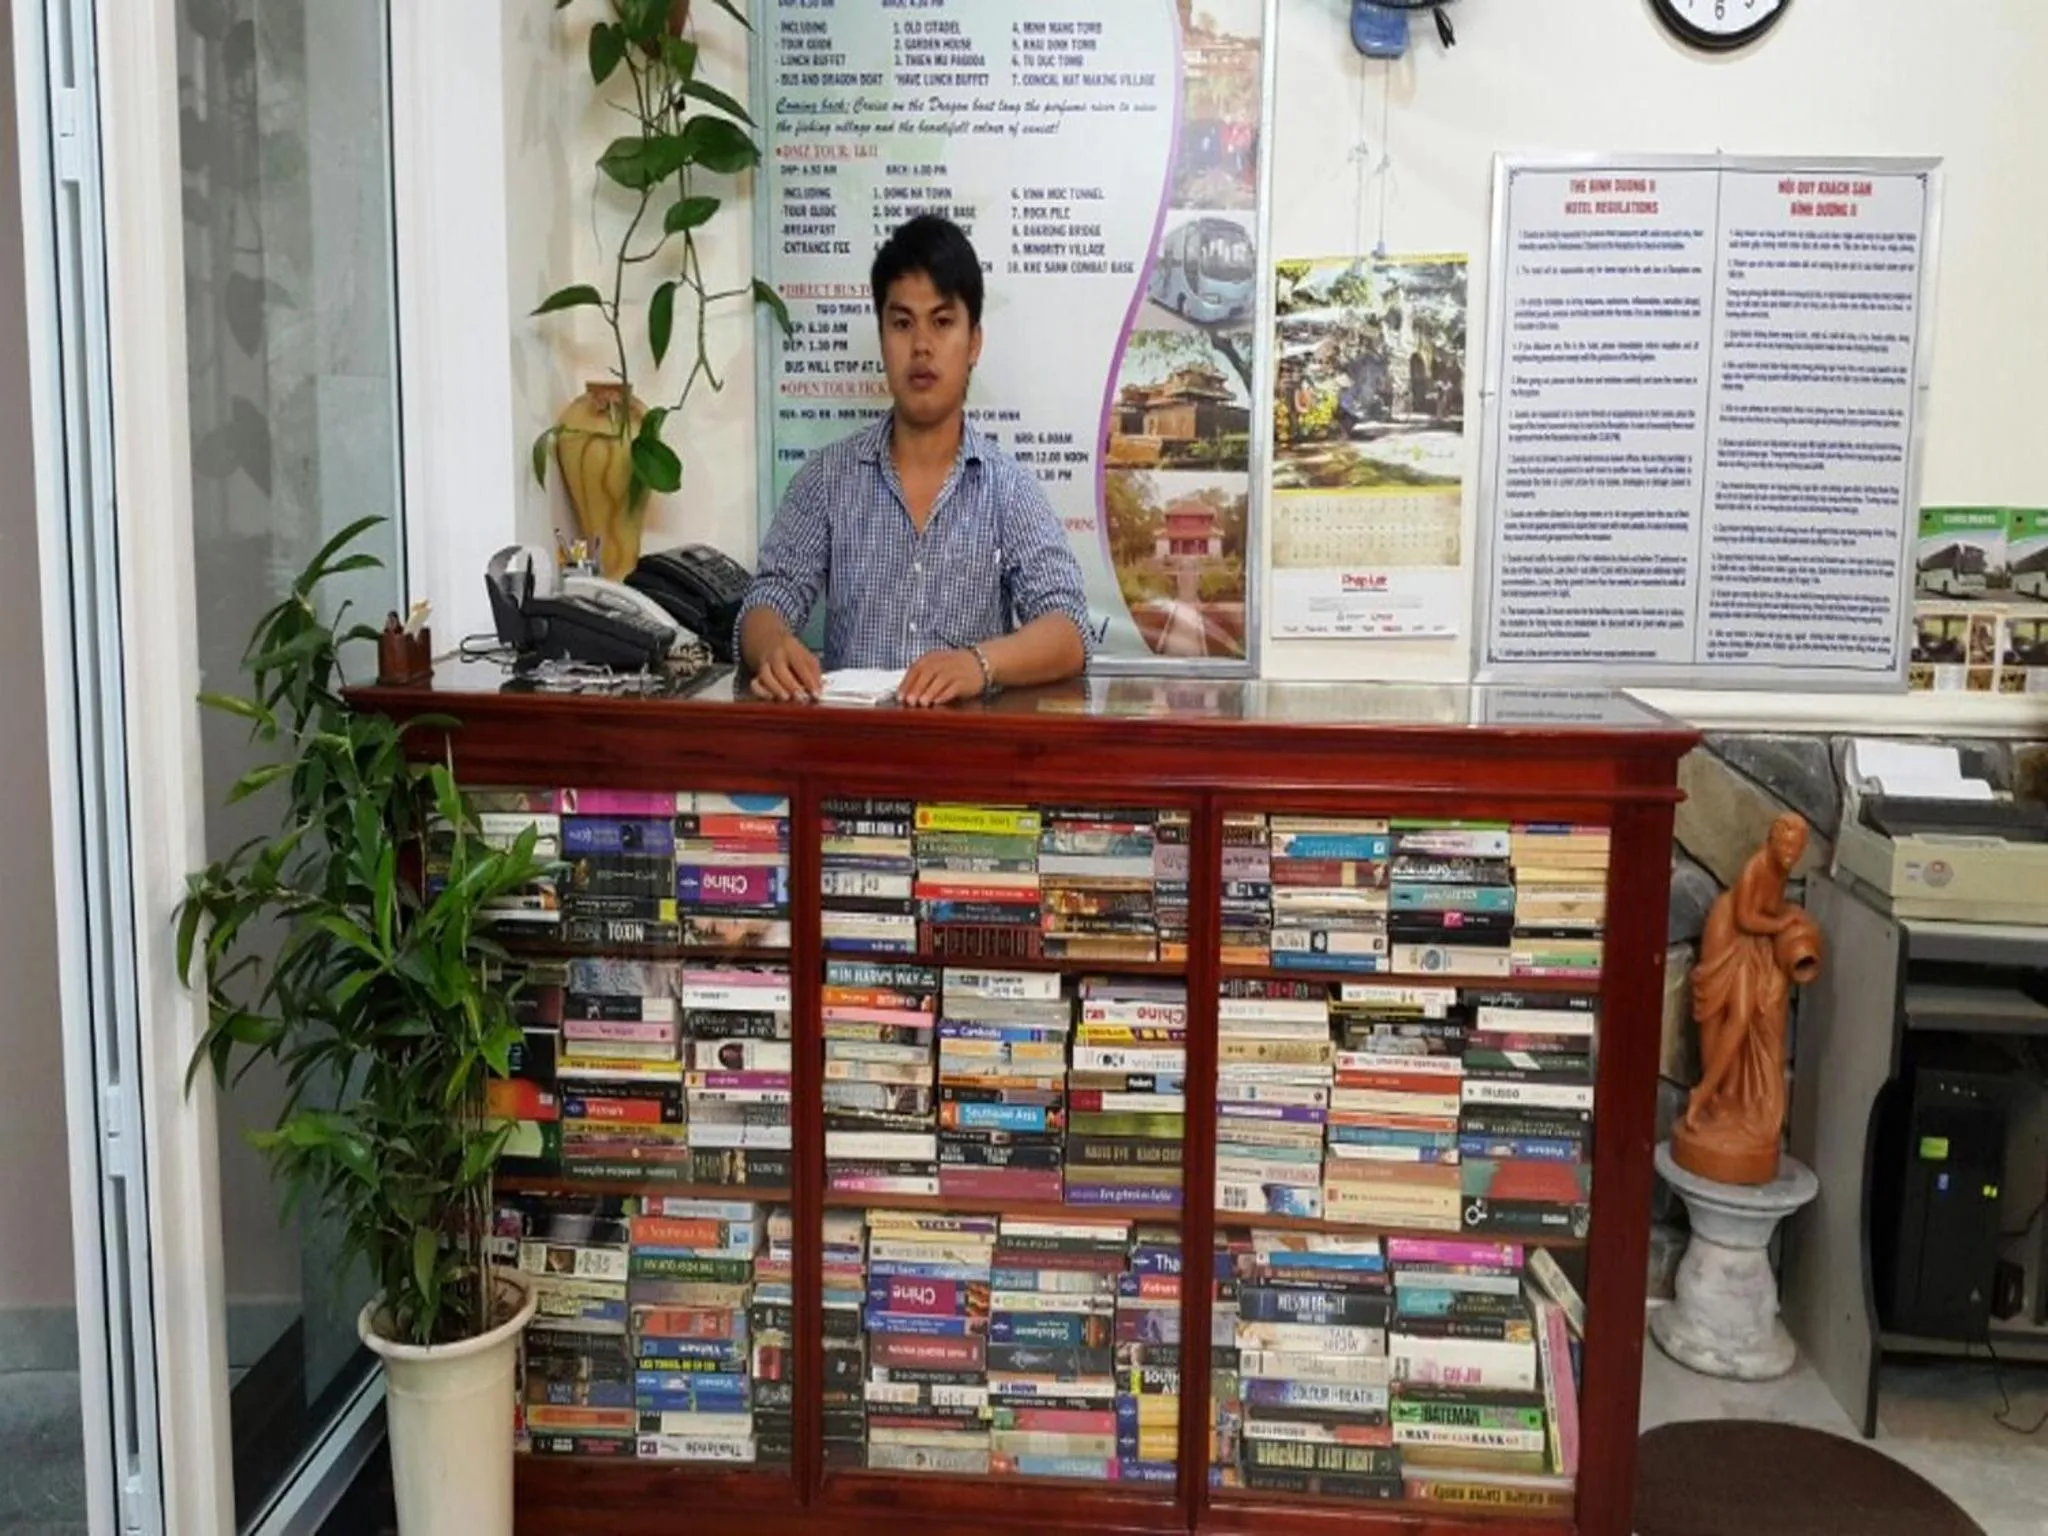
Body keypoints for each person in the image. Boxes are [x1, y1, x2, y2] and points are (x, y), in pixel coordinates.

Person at [736, 215, 1093, 706]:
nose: (921, 346)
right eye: (902, 323)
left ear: (973, 343)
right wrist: (773, 647)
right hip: (849, 770)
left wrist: (978, 665)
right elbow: (765, 603)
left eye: (942, 322)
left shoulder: (1007, 490)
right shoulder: (826, 479)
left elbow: (1069, 630)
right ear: (882, 336)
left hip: (963, 776)